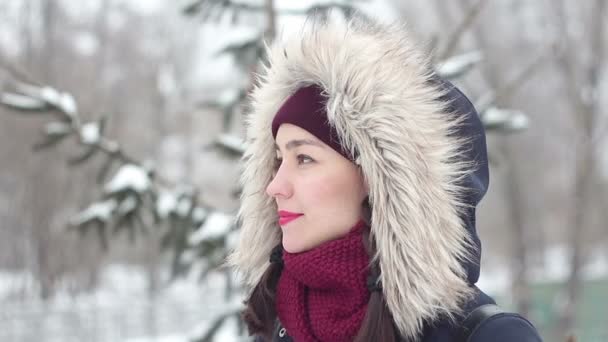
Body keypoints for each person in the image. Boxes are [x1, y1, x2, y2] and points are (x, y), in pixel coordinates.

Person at [228, 15, 543, 342]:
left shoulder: (487, 336)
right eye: (278, 160)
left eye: (304, 158)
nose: (275, 186)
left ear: (378, 176)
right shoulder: (275, 326)